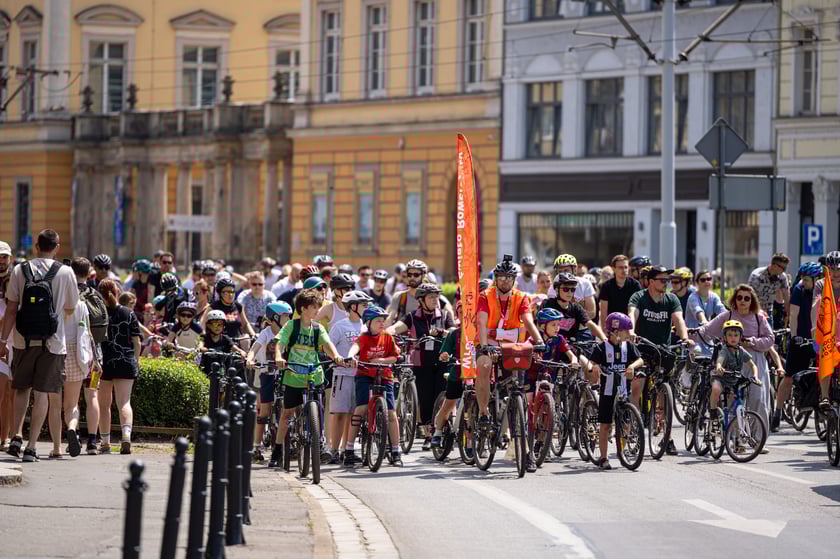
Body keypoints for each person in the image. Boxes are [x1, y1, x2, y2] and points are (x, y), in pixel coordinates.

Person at [1, 230, 79, 462]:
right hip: (53, 343)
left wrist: (3, 341)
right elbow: (71, 307)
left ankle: (16, 435)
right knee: (42, 393)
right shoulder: (66, 272)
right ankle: (32, 446)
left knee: (21, 389)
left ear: (36, 246)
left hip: (22, 339)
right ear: (56, 247)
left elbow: (12, 308)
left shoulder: (19, 270)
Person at [269, 289, 345, 468]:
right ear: (303, 309)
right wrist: (279, 357)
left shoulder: (318, 328)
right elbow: (280, 343)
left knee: (316, 410)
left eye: (319, 307)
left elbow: (328, 345)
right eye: (314, 307)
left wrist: (337, 357)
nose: (318, 310)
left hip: (314, 375)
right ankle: (278, 449)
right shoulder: (291, 326)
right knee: (287, 414)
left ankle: (317, 439)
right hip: (294, 376)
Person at [628, 265, 693, 455]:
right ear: (650, 281)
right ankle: (633, 429)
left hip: (663, 350)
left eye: (668, 280)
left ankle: (667, 437)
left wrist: (684, 337)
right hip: (642, 348)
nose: (666, 283)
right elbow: (632, 313)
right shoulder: (639, 297)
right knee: (637, 386)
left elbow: (678, 320)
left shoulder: (671, 299)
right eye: (662, 280)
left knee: (664, 395)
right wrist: (631, 331)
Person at [696, 284, 774, 439]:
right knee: (733, 399)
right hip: (731, 360)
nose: (743, 301)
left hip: (755, 360)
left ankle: (758, 439)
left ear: (752, 300)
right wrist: (687, 335)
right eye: (739, 297)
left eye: (747, 298)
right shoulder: (728, 315)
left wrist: (753, 342)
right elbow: (708, 331)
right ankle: (735, 438)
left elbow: (770, 339)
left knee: (758, 399)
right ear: (734, 299)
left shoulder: (759, 318)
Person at [476, 255, 544, 424]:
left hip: (512, 345)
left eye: (509, 277)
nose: (505, 281)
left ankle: (508, 426)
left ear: (514, 279)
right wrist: (484, 346)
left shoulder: (521, 297)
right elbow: (482, 322)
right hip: (489, 342)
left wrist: (540, 341)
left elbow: (528, 321)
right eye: (501, 277)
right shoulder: (485, 296)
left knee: (515, 382)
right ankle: (483, 412)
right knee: (484, 366)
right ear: (496, 279)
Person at [388, 283, 454, 450]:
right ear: (421, 300)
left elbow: (453, 331)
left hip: (442, 360)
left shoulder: (444, 315)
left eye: (436, 296)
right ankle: (427, 433)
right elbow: (396, 328)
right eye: (431, 297)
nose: (435, 300)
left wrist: (441, 332)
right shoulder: (412, 317)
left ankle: (441, 429)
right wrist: (382, 332)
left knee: (442, 394)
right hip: (421, 362)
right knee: (424, 398)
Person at [345, 306, 402, 466]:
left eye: (383, 321)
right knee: (361, 408)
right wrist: (350, 356)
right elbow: (355, 347)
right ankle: (349, 449)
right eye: (378, 321)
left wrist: (383, 361)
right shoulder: (363, 338)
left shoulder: (387, 337)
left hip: (384, 376)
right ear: (368, 323)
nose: (381, 324)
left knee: (391, 413)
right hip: (365, 375)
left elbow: (395, 357)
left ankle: (396, 451)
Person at [523, 308, 578, 471]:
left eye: (558, 324)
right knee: (530, 408)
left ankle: (541, 442)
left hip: (548, 377)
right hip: (531, 378)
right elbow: (525, 347)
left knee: (548, 410)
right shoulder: (532, 340)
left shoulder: (559, 339)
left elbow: (569, 354)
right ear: (541, 327)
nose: (557, 328)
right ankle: (527, 448)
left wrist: (573, 360)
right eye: (553, 325)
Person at [589, 312, 643, 470]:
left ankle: (622, 450)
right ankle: (603, 457)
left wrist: (632, 366)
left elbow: (640, 359)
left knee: (626, 422)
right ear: (615, 332)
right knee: (605, 425)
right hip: (607, 391)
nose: (629, 334)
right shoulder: (602, 347)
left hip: (623, 391)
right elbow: (592, 362)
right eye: (626, 331)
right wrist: (596, 366)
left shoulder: (628, 346)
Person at [770, 263, 820, 431]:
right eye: (803, 279)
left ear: (816, 279)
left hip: (820, 339)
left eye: (807, 279)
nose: (803, 282)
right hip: (801, 338)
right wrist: (794, 337)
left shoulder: (824, 290)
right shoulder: (799, 290)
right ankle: (777, 413)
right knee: (789, 376)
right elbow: (793, 314)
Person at [326, 291, 372, 463]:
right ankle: (333, 451)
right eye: (364, 305)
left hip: (361, 377)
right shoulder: (340, 326)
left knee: (354, 414)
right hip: (342, 375)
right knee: (339, 414)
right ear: (353, 307)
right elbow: (327, 346)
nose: (366, 308)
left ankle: (348, 449)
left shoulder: (366, 327)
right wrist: (337, 357)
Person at [96, 279, 141, 455]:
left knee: (104, 404)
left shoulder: (98, 313)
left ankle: (105, 443)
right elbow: (137, 341)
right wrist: (136, 360)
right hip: (125, 360)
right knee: (124, 402)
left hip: (104, 363)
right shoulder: (129, 313)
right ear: (117, 291)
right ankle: (126, 436)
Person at [246, 300, 292, 461]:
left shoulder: (289, 330)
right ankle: (256, 447)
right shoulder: (266, 333)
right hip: (267, 372)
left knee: (289, 406)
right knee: (264, 411)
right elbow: (255, 347)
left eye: (289, 316)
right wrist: (250, 359)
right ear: (274, 318)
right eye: (284, 316)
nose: (288, 319)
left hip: (285, 372)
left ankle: (290, 440)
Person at [65, 258, 102, 456]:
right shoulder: (95, 295)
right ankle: (93, 442)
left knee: (72, 400)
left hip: (71, 352)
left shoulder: (68, 295)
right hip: (94, 355)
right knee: (92, 395)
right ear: (89, 273)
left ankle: (75, 434)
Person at [709, 320, 761, 432]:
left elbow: (753, 366)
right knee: (716, 388)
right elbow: (720, 360)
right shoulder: (725, 350)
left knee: (737, 401)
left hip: (734, 379)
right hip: (721, 377)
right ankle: (713, 411)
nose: (733, 338)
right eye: (730, 335)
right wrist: (719, 366)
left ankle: (735, 431)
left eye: (736, 335)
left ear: (740, 337)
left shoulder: (741, 351)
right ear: (725, 337)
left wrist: (755, 376)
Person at [810, 251, 840, 410]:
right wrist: (814, 327)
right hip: (826, 328)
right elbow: (816, 305)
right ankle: (825, 396)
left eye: (839, 270)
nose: (835, 274)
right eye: (832, 270)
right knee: (825, 357)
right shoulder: (821, 284)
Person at [541, 273, 606, 344]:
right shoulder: (547, 304)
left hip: (570, 347)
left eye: (572, 289)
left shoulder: (576, 308)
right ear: (556, 290)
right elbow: (539, 326)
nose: (569, 292)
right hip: (550, 346)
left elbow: (590, 324)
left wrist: (604, 339)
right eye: (566, 289)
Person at [685, 270, 727, 355]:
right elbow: (698, 310)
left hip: (706, 336)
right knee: (693, 361)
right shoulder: (693, 297)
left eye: (709, 279)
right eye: (703, 280)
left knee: (712, 359)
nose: (706, 282)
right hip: (693, 336)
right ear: (697, 283)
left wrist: (730, 321)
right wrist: (704, 321)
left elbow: (722, 310)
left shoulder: (714, 297)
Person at [202, 277, 255, 344]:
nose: (230, 295)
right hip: (219, 343)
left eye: (232, 292)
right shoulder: (213, 307)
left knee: (246, 339)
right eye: (226, 292)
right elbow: (202, 322)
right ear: (220, 293)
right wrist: (203, 336)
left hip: (237, 341)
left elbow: (245, 324)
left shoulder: (238, 306)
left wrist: (254, 335)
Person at [598, 254, 641, 331]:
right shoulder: (606, 286)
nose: (624, 270)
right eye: (620, 267)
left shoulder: (635, 285)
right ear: (614, 269)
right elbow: (603, 310)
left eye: (626, 267)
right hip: (613, 327)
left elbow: (638, 308)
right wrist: (604, 331)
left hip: (630, 326)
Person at [749, 253, 791, 329]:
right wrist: (759, 311)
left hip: (768, 311)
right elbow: (749, 297)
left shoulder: (782, 277)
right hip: (753, 311)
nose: (784, 271)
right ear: (775, 266)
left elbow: (786, 297)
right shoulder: (757, 276)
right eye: (783, 268)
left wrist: (789, 315)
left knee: (770, 337)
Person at [549, 254, 596, 320]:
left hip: (581, 326)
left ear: (574, 270)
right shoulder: (553, 287)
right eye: (560, 271)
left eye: (566, 270)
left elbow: (592, 313)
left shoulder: (585, 284)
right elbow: (551, 313)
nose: (563, 274)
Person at [0, 242, 13, 451]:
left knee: (12, 394)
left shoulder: (17, 278)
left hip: (16, 342)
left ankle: (7, 436)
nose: (2, 261)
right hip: (1, 343)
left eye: (5, 257)